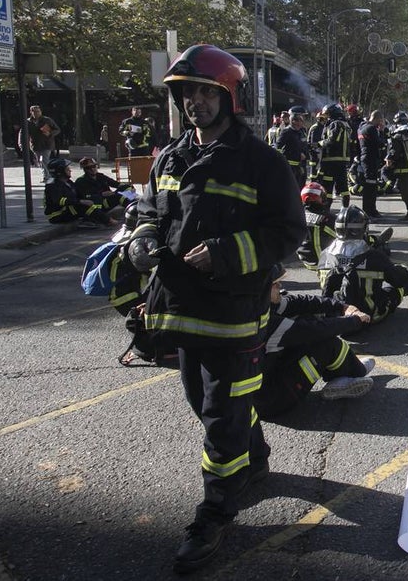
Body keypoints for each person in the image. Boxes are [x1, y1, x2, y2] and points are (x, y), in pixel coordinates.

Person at [124, 44, 305, 573]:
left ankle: (216, 510)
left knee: (219, 414)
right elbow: (150, 208)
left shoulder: (261, 162)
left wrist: (228, 254)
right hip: (181, 308)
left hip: (234, 315)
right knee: (197, 399)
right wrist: (141, 237)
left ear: (228, 98)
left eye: (205, 92)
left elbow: (289, 230)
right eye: (187, 93)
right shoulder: (171, 155)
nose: (195, 102)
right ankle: (254, 458)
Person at [256, 264, 375, 419]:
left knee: (306, 319)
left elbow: (299, 301)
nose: (280, 286)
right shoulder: (266, 323)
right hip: (272, 402)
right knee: (327, 344)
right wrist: (354, 321)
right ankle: (356, 372)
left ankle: (342, 377)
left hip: (256, 395)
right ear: (262, 289)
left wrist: (342, 307)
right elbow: (315, 330)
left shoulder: (256, 308)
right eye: (275, 284)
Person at [318, 204, 408, 322]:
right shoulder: (374, 257)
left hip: (333, 318)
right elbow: (398, 280)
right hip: (366, 317)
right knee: (394, 289)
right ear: (363, 228)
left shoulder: (324, 255)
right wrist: (405, 270)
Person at [44, 158, 112, 227]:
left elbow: (79, 194)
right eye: (67, 169)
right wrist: (80, 201)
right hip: (57, 214)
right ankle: (108, 221)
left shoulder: (68, 182)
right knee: (81, 207)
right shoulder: (53, 185)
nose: (70, 170)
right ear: (61, 171)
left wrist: (91, 197)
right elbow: (60, 201)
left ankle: (92, 219)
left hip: (66, 210)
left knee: (92, 199)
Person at [296, 182, 338, 272]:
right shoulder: (327, 218)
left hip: (303, 259)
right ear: (319, 198)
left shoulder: (297, 215)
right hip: (322, 264)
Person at [316, 104, 353, 199]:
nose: (327, 117)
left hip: (331, 160)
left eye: (328, 114)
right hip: (343, 160)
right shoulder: (346, 124)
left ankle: (326, 209)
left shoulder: (335, 124)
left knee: (328, 185)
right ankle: (345, 209)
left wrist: (319, 144)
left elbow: (332, 140)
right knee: (343, 186)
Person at [357, 110, 386, 218]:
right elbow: (380, 143)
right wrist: (382, 131)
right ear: (378, 119)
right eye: (381, 120)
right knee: (371, 186)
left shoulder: (361, 128)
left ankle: (368, 210)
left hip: (364, 158)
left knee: (368, 185)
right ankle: (370, 210)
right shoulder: (372, 128)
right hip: (371, 158)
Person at [275, 106, 309, 188]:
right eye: (300, 118)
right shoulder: (287, 131)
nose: (302, 121)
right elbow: (278, 148)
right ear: (293, 119)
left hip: (301, 167)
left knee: (301, 189)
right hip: (290, 168)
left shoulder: (302, 131)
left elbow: (304, 146)